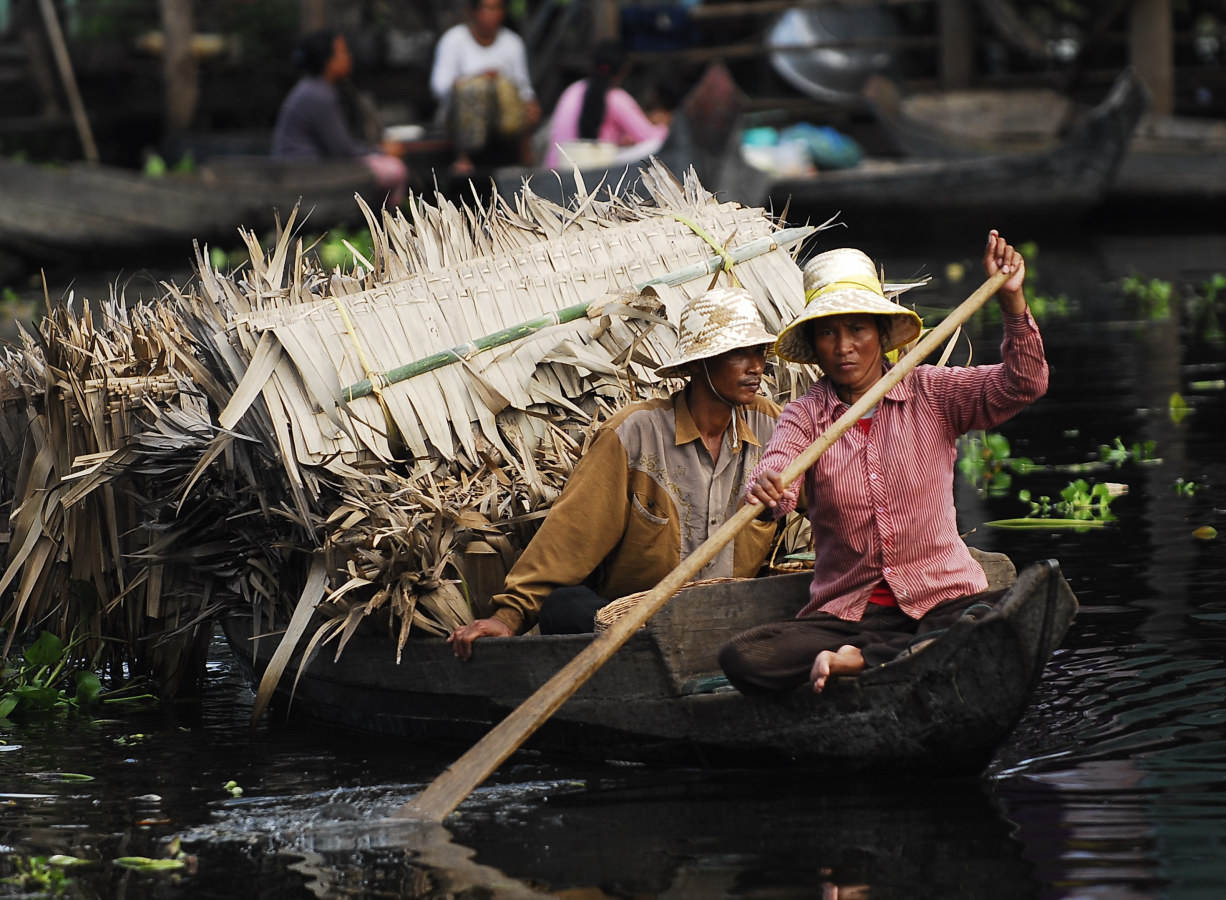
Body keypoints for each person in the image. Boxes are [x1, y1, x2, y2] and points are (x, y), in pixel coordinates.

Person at [717, 233, 1048, 694]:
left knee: (988, 619)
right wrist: (770, 486)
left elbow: (1024, 384)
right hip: (849, 619)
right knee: (744, 656)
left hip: (942, 602)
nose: (844, 346)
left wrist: (1013, 303)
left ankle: (867, 661)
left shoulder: (932, 392)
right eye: (829, 332)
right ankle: (880, 652)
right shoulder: (806, 414)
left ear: (879, 333)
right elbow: (779, 472)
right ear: (815, 344)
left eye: (857, 329)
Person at [449, 286, 784, 659]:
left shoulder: (775, 430)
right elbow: (571, 535)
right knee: (564, 605)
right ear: (697, 364)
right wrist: (509, 617)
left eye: (759, 352)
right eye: (738, 353)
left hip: (735, 621)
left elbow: (831, 497)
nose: (756, 366)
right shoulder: (636, 434)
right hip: (639, 628)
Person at [272, 29, 409, 205]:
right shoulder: (317, 95)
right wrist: (381, 151)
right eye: (343, 52)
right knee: (395, 168)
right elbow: (342, 151)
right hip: (305, 171)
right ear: (327, 60)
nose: (349, 57)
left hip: (309, 166)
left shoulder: (315, 89)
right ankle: (384, 219)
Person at [429, 0, 542, 175]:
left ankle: (524, 157)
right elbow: (439, 86)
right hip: (459, 120)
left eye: (497, 8)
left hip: (502, 120)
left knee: (506, 87)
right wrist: (477, 78)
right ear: (473, 11)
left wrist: (530, 104)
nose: (492, 14)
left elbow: (524, 88)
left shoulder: (513, 42)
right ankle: (464, 156)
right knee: (475, 88)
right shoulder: (453, 40)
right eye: (487, 8)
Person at [542, 41, 668, 171]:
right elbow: (650, 137)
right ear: (624, 69)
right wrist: (666, 123)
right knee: (655, 145)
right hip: (593, 169)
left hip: (558, 168)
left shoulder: (573, 90)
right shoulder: (616, 98)